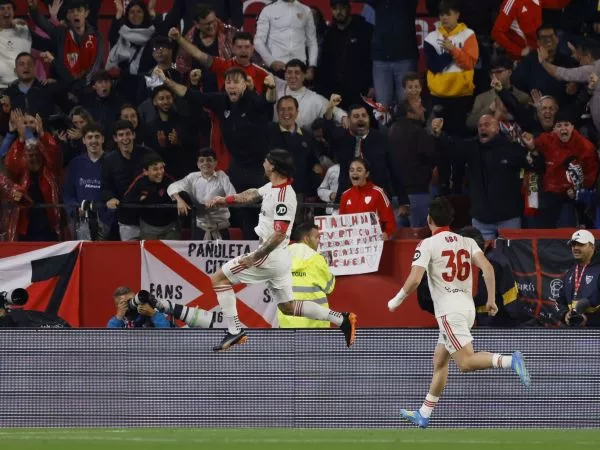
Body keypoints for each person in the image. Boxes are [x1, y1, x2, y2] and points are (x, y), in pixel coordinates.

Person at [387, 198, 531, 428]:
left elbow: (414, 279)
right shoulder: (467, 241)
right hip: (467, 308)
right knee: (440, 360)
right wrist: (491, 299)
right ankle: (424, 413)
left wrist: (396, 301)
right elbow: (487, 268)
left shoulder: (427, 244)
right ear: (451, 219)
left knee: (465, 363)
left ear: (429, 219)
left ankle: (508, 360)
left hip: (449, 311)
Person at [205, 148, 357, 351]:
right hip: (279, 258)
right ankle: (341, 319)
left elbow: (279, 234)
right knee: (288, 307)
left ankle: (235, 330)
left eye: (266, 161)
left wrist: (255, 257)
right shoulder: (272, 187)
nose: (263, 164)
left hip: (269, 255)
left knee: (219, 279)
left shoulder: (285, 196)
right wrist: (225, 200)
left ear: (274, 166)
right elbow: (251, 195)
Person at [167, 148, 236, 240]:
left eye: (209, 160)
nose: (205, 163)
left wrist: (218, 201)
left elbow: (232, 196)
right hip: (200, 228)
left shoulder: (222, 176)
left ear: (215, 162)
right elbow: (173, 186)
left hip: (221, 228)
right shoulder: (192, 177)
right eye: (202, 161)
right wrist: (179, 200)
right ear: (198, 164)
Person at [279, 222, 336, 328]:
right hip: (314, 324)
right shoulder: (317, 258)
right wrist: (329, 269)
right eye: (316, 237)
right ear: (306, 239)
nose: (319, 241)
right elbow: (329, 288)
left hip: (288, 323)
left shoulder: (282, 256)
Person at [254, 0, 318, 78]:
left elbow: (312, 42)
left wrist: (312, 65)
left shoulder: (306, 10)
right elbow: (258, 41)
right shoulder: (268, 10)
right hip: (276, 69)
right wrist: (271, 61)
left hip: (300, 68)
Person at [123, 153, 179, 241]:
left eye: (161, 168)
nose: (160, 172)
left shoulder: (169, 178)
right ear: (145, 171)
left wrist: (180, 199)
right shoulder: (140, 181)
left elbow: (182, 192)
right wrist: (139, 199)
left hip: (171, 227)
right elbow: (126, 198)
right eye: (155, 169)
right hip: (149, 228)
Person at [339, 158, 397, 240]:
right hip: (352, 243)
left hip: (373, 243)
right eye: (352, 170)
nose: (354, 172)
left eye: (359, 170)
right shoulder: (345, 195)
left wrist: (387, 233)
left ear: (366, 174)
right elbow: (341, 222)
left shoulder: (378, 192)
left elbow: (390, 220)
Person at [558, 230, 600, 328]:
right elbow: (561, 300)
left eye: (581, 244)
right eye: (573, 244)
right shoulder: (570, 272)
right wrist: (565, 314)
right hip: (574, 331)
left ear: (592, 246)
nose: (576, 248)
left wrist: (589, 319)